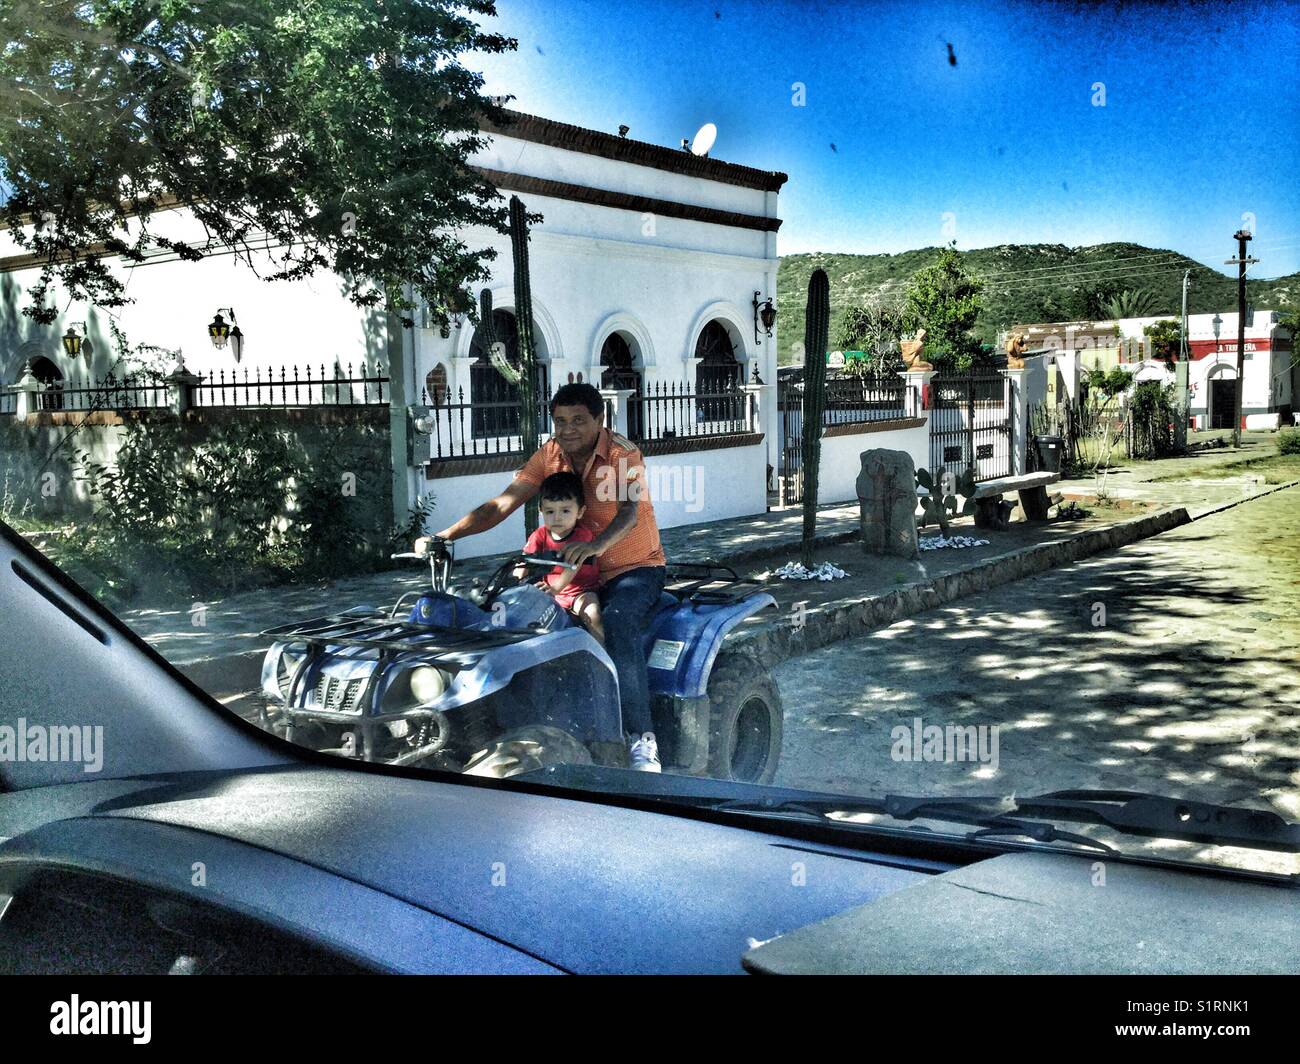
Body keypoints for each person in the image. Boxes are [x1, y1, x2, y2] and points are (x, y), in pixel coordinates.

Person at [416, 382, 666, 772]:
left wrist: (595, 547)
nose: (568, 430)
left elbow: (630, 512)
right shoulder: (550, 454)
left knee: (617, 622)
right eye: (560, 421)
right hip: (566, 571)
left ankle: (640, 738)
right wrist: (445, 535)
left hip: (631, 568)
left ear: (600, 420)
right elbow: (503, 503)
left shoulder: (623, 452)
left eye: (578, 421)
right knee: (501, 614)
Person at [515, 471, 604, 644]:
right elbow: (524, 561)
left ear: (580, 512)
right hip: (549, 592)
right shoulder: (539, 535)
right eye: (550, 511)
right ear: (541, 511)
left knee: (593, 614)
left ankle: (604, 654)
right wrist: (516, 581)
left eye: (565, 510)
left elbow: (572, 567)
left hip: (580, 592)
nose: (557, 518)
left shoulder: (582, 536)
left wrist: (555, 589)